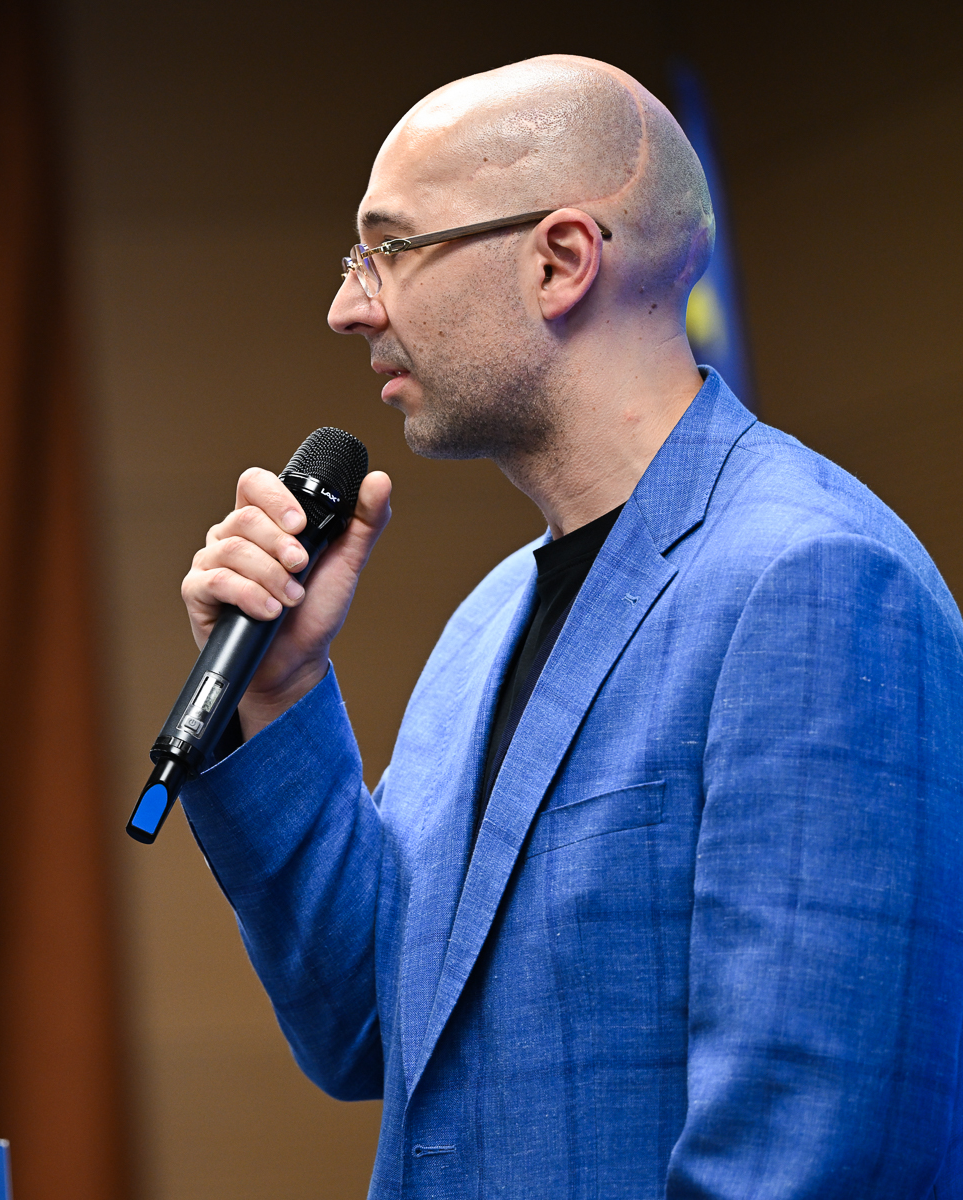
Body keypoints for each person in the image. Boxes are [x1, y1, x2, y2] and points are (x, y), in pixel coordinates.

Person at [177, 54, 963, 1196]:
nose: (350, 306)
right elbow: (365, 1030)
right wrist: (278, 691)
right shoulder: (484, 623)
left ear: (559, 261)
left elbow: (808, 1155)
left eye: (387, 250)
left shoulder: (815, 579)